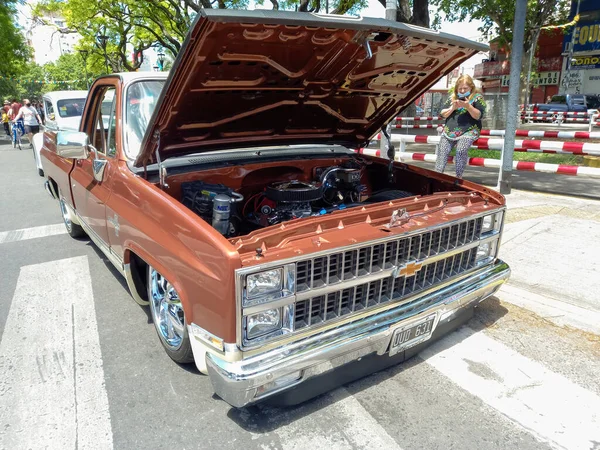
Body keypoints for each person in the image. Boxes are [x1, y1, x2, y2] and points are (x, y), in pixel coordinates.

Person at [435, 74, 486, 179]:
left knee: (461, 150)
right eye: (460, 88)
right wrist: (452, 108)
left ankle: (459, 177)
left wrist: (468, 106)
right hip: (449, 131)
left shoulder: (477, 98)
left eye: (465, 88)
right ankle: (437, 176)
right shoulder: (452, 98)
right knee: (442, 151)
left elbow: (478, 115)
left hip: (469, 131)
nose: (462, 91)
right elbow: (442, 113)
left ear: (471, 87)